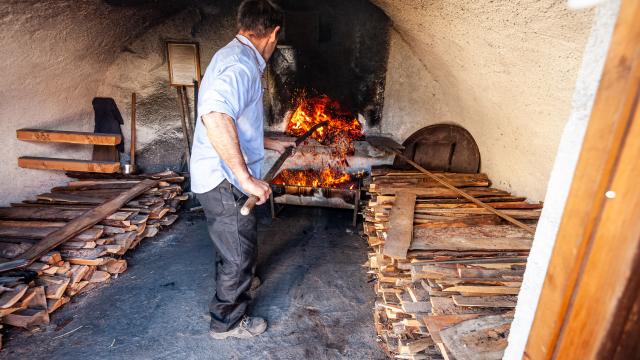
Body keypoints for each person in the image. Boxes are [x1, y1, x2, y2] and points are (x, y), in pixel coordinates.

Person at [190, 0, 293, 339]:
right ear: (274, 33)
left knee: (236, 243)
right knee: (237, 252)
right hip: (222, 179)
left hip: (221, 174)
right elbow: (217, 117)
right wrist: (247, 178)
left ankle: (242, 279)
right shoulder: (240, 66)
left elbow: (235, 120)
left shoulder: (235, 55)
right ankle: (227, 322)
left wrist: (269, 144)